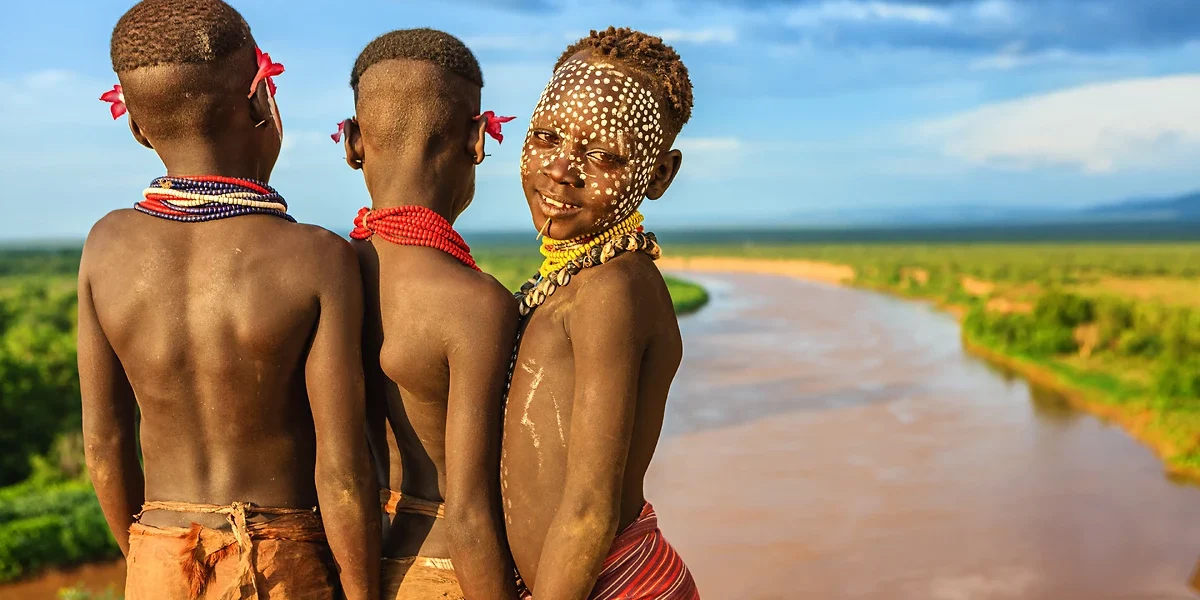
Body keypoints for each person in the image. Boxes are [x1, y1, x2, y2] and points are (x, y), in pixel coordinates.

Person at [79, 1, 379, 598]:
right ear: (259, 100)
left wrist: (149, 555)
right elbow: (343, 474)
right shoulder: (316, 257)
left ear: (136, 126)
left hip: (158, 554)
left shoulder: (105, 245)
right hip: (279, 563)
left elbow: (104, 447)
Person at [503, 26, 700, 599]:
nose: (562, 170)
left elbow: (590, 510)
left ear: (659, 174)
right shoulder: (578, 281)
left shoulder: (615, 289)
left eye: (603, 155)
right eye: (545, 136)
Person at [338, 28, 519, 600]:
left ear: (352, 142)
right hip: (450, 572)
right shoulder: (474, 303)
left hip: (354, 566)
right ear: (477, 140)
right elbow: (467, 512)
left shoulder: (325, 271)